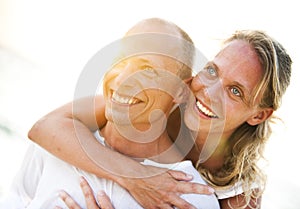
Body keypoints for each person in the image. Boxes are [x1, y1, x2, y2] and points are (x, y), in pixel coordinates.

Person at [27, 24, 293, 209]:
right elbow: (45, 127)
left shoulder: (240, 191)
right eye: (212, 71)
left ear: (259, 115)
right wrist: (135, 176)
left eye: (235, 91)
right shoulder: (165, 103)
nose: (208, 92)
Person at [0, 18, 220, 209]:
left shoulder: (190, 194)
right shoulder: (58, 141)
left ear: (179, 91)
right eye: (120, 59)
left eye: (147, 70)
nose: (123, 79)